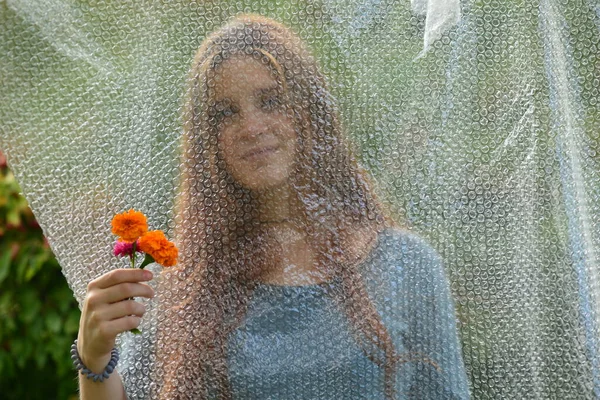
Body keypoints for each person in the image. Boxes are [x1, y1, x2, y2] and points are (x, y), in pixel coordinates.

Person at [76, 14, 470, 400]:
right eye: (226, 112)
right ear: (207, 141)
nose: (251, 126)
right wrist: (94, 357)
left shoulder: (406, 264)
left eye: (271, 101)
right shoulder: (185, 286)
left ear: (309, 112)